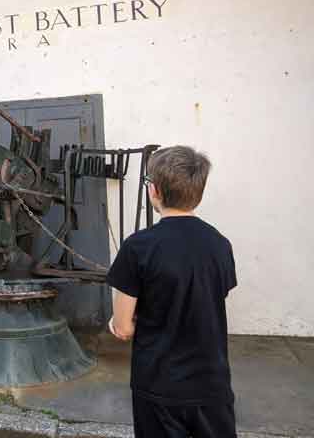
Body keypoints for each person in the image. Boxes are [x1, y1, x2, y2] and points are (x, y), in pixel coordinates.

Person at [107, 146, 237, 438]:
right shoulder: (220, 244)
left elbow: (123, 327)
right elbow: (209, 300)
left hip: (158, 386)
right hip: (212, 385)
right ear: (199, 193)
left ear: (154, 191)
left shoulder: (138, 247)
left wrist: (116, 324)